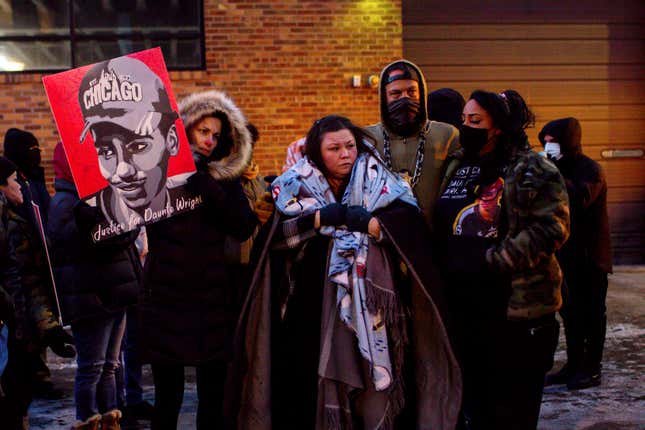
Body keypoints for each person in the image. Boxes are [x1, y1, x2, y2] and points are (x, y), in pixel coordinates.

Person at [229, 115, 462, 429]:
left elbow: (410, 229)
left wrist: (373, 226)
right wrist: (315, 220)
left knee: (371, 386)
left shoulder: (383, 181)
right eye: (334, 148)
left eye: (350, 146)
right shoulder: (293, 185)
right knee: (309, 384)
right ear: (317, 153)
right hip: (308, 310)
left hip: (375, 312)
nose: (345, 154)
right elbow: (274, 241)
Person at [433, 89, 570, 429]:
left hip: (516, 314)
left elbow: (551, 229)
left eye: (475, 121)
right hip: (465, 312)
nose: (466, 126)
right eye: (464, 120)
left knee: (511, 413)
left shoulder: (532, 167)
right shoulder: (458, 163)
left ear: (499, 126)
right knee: (474, 411)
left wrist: (492, 261)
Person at [138, 89, 258, 430]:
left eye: (216, 135)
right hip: (166, 297)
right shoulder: (155, 173)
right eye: (203, 131)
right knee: (168, 398)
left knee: (212, 398)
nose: (209, 140)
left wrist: (206, 184)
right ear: (186, 127)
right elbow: (125, 217)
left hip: (211, 300)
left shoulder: (223, 177)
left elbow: (243, 225)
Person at [46, 143, 141, 430]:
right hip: (90, 298)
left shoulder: (102, 195)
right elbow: (73, 245)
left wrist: (129, 222)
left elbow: (120, 238)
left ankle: (110, 417)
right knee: (92, 367)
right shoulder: (64, 202)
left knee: (111, 365)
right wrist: (97, 223)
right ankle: (87, 419)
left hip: (113, 293)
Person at [0, 156, 77, 429]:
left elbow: (30, 285)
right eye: (14, 181)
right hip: (11, 332)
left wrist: (50, 329)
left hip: (19, 330)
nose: (21, 185)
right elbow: (22, 283)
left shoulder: (17, 220)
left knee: (18, 399)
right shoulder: (11, 227)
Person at [539, 117, 612, 390]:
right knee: (570, 314)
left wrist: (552, 172)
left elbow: (580, 199)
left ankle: (592, 369)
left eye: (553, 141)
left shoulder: (590, 169)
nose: (548, 147)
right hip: (565, 255)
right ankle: (573, 365)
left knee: (593, 314)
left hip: (591, 257)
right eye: (545, 142)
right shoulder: (555, 167)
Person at [78, 55, 184, 230]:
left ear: (171, 140)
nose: (123, 170)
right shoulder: (90, 215)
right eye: (106, 152)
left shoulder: (190, 197)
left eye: (138, 146)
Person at [365, 59, 460, 226]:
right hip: (386, 236)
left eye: (411, 92)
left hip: (435, 237)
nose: (405, 99)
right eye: (396, 94)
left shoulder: (447, 135)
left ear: (421, 93)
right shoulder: (367, 138)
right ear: (384, 97)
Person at [3, 127, 56, 399]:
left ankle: (39, 374)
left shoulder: (34, 180)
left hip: (39, 261)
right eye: (31, 151)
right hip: (21, 271)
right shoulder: (13, 193)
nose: (37, 156)